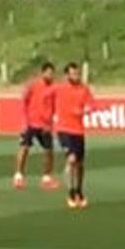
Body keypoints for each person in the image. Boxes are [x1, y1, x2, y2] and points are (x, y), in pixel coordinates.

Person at [13, 62, 59, 191]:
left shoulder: (54, 88)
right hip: (31, 123)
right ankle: (18, 176)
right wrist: (24, 121)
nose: (50, 75)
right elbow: (24, 101)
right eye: (48, 73)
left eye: (52, 73)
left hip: (45, 125)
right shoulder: (33, 85)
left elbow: (54, 106)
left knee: (49, 151)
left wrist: (50, 123)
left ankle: (46, 178)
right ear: (43, 73)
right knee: (24, 148)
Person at [55, 63, 95, 209]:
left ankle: (79, 190)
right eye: (73, 74)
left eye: (77, 74)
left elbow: (92, 104)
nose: (76, 76)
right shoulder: (59, 88)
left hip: (78, 131)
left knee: (80, 164)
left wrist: (86, 110)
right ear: (67, 75)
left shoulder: (84, 89)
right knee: (71, 160)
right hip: (64, 129)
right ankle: (71, 192)